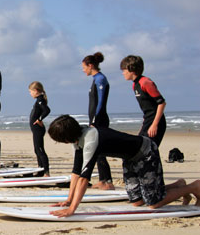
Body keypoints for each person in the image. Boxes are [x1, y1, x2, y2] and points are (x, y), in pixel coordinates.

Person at [47, 115, 198, 218]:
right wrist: (68, 199)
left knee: (153, 203)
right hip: (130, 158)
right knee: (137, 201)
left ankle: (194, 187)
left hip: (145, 152)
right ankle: (179, 185)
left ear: (66, 137)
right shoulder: (78, 139)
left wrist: (72, 209)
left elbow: (84, 179)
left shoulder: (90, 140)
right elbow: (76, 173)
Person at [82, 52, 114, 190]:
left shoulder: (100, 79)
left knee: (100, 149)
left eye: (84, 67)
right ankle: (103, 180)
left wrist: (95, 120)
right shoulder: (95, 79)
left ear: (90, 65)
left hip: (99, 120)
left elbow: (100, 102)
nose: (83, 70)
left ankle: (108, 182)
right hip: (95, 119)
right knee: (97, 151)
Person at [120, 55, 167, 146]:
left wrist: (154, 125)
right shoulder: (135, 85)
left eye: (124, 70)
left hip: (156, 122)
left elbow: (161, 103)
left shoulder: (145, 82)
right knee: (140, 149)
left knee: (150, 151)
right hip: (148, 121)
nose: (123, 73)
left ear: (131, 70)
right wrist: (144, 126)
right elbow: (147, 109)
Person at [28, 81, 51, 177]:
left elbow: (47, 110)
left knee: (40, 149)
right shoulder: (38, 100)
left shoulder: (40, 99)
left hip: (38, 129)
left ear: (36, 91)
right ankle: (40, 170)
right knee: (37, 149)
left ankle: (46, 172)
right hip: (36, 129)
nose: (30, 94)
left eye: (31, 91)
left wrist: (39, 119)